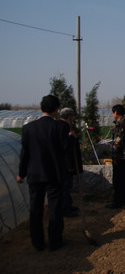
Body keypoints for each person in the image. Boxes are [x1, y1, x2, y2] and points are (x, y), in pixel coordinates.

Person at [17, 95, 69, 251]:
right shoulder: (61, 127)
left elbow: (24, 154)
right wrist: (72, 139)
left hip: (34, 174)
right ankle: (55, 241)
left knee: (36, 209)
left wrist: (21, 173)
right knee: (54, 208)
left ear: (41, 108)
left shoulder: (28, 128)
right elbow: (65, 149)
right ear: (56, 110)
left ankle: (37, 243)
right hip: (54, 174)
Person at [106, 104, 125, 209]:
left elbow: (117, 142)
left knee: (118, 179)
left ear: (116, 113)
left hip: (121, 156)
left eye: (113, 113)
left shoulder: (120, 124)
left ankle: (117, 201)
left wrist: (114, 157)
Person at [58, 107, 83, 217]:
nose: (73, 118)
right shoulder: (63, 127)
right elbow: (65, 149)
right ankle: (64, 208)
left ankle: (68, 205)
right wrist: (69, 165)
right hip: (66, 165)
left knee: (67, 187)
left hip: (65, 164)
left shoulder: (63, 126)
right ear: (69, 117)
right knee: (65, 187)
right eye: (72, 116)